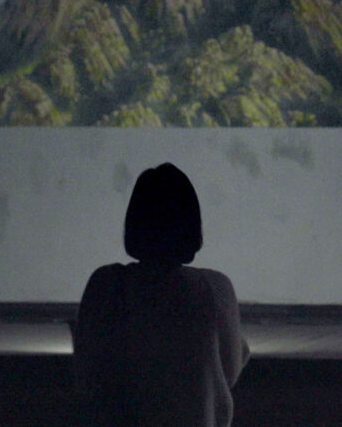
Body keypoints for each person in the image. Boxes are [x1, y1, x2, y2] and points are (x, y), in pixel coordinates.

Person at [73, 163, 250, 427]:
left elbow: (88, 374)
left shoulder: (105, 284)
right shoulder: (214, 288)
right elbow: (230, 372)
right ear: (192, 225)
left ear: (134, 223)